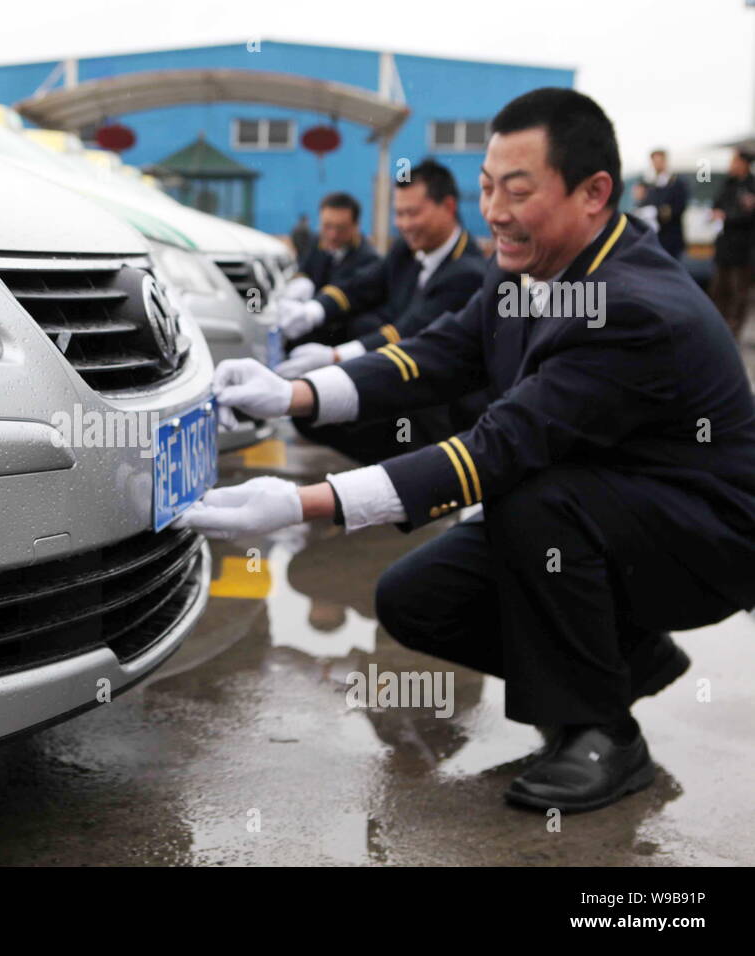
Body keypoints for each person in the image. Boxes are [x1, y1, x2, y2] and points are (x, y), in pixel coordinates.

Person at [182, 88, 755, 814]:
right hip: (614, 509)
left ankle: (600, 731)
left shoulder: (631, 306)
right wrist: (297, 394)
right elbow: (442, 351)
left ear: (593, 193)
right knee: (413, 599)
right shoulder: (524, 268)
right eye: (487, 187)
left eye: (518, 191)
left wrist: (302, 503)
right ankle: (625, 660)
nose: (496, 211)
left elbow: (500, 447)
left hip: (708, 538)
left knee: (531, 496)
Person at [276, 163, 488, 465]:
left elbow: (410, 332)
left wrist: (334, 358)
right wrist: (315, 309)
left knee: (327, 410)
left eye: (412, 213)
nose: (403, 223)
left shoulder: (467, 272)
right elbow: (365, 285)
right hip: (401, 380)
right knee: (313, 415)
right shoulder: (408, 249)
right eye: (398, 214)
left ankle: (416, 486)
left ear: (449, 206)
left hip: (439, 407)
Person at [283, 193, 382, 302]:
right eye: (327, 226)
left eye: (341, 228)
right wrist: (299, 282)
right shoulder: (315, 243)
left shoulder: (369, 260)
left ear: (356, 225)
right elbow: (304, 268)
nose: (333, 235)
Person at [709, 149, 755, 340]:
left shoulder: (751, 186)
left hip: (743, 249)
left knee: (739, 293)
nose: (731, 165)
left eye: (734, 161)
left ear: (744, 163)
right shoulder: (728, 183)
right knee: (719, 290)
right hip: (724, 247)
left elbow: (748, 216)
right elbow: (716, 205)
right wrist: (717, 213)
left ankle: (733, 333)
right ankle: (718, 329)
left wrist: (726, 217)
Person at [641, 149, 688, 259]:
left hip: (672, 237)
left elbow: (679, 207)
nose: (656, 165)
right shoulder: (651, 184)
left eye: (659, 161)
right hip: (656, 236)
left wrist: (660, 212)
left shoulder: (676, 183)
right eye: (654, 162)